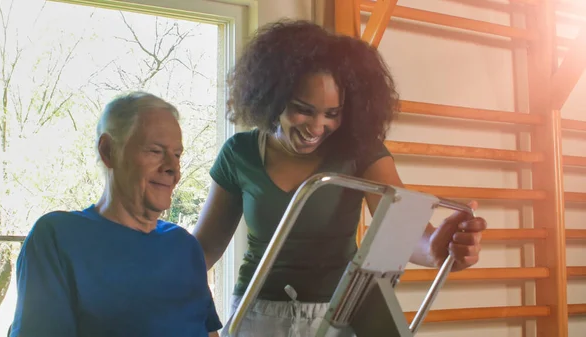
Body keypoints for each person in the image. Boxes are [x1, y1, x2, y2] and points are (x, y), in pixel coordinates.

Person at [193, 20, 487, 336]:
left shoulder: (360, 150)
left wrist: (439, 250)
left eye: (332, 114)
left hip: (337, 317)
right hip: (256, 315)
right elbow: (204, 250)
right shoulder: (240, 153)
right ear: (273, 96)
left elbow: (406, 232)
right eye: (302, 109)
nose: (317, 127)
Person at [9, 92, 222, 337]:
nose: (173, 168)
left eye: (177, 155)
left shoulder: (185, 246)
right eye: (155, 151)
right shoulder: (58, 238)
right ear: (108, 151)